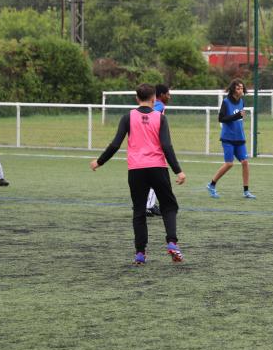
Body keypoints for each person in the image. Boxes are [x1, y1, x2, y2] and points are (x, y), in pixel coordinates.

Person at [90, 83, 186, 265]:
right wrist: (178, 171)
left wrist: (99, 161)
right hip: (158, 168)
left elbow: (115, 144)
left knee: (139, 211)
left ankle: (140, 254)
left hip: (136, 170)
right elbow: (166, 146)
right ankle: (172, 243)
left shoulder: (128, 117)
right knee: (169, 206)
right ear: (154, 99)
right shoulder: (160, 118)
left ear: (137, 98)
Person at [207, 78, 256, 199]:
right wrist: (236, 116)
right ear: (233, 89)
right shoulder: (226, 102)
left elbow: (239, 118)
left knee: (245, 162)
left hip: (240, 138)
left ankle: (246, 191)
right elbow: (221, 119)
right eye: (238, 88)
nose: (241, 90)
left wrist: (238, 117)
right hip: (228, 138)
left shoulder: (241, 101)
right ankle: (211, 185)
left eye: (242, 88)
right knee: (229, 164)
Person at [145, 84, 172, 217]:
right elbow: (149, 117)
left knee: (151, 176)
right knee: (157, 176)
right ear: (161, 95)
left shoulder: (153, 104)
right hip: (153, 146)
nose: (169, 97)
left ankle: (148, 204)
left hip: (146, 144)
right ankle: (148, 206)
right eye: (168, 94)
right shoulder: (159, 106)